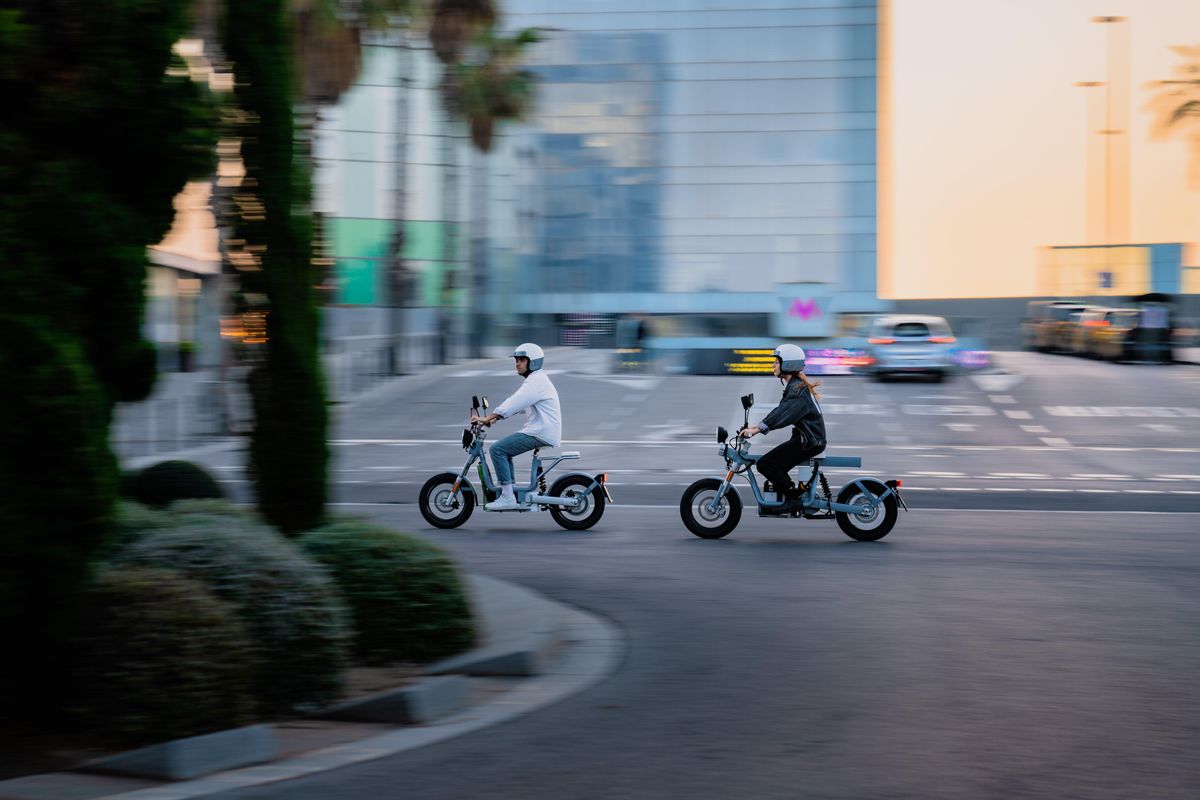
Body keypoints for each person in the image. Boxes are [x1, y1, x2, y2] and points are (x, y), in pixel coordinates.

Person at [471, 343, 562, 510]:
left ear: (533, 361)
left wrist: (490, 416)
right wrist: (495, 419)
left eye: (521, 360)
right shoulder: (537, 380)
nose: (517, 363)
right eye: (516, 360)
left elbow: (514, 402)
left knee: (498, 450)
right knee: (506, 451)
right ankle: (509, 491)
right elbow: (521, 406)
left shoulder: (535, 382)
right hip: (542, 430)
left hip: (540, 432)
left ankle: (507, 497)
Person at [739, 344, 827, 515]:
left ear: (787, 364)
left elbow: (782, 414)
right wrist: (755, 427)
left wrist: (756, 430)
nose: (773, 365)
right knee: (774, 465)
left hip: (810, 442)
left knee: (766, 464)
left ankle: (793, 499)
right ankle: (791, 494)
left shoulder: (797, 389)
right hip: (806, 439)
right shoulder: (796, 386)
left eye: (776, 361)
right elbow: (781, 411)